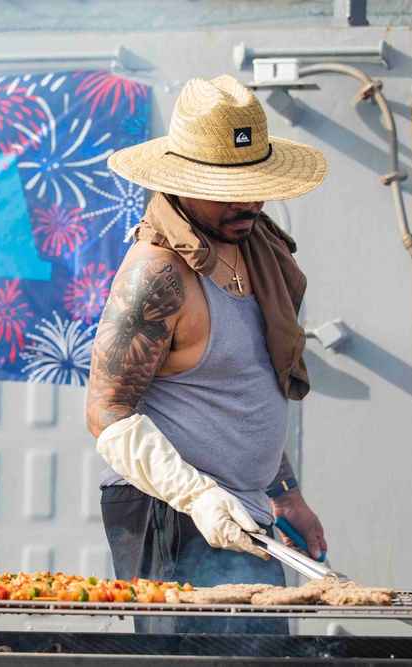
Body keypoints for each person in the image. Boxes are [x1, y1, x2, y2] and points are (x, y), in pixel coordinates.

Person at [87, 75, 328, 634]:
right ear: (183, 183)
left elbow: (242, 387)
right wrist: (198, 498)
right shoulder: (158, 272)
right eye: (228, 188)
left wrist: (283, 492)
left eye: (256, 182)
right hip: (169, 511)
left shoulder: (257, 251)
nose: (248, 201)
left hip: (247, 510)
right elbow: (105, 412)